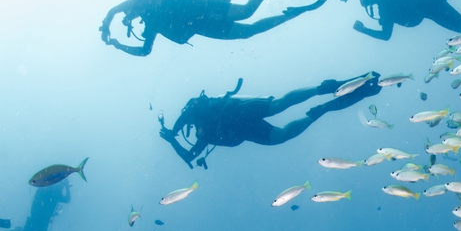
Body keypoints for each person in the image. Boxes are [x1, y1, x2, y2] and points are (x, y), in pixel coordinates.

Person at [100, 0, 332, 56]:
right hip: (200, 24)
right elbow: (145, 51)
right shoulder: (150, 23)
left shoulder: (142, 0)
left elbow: (113, 10)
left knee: (246, 11)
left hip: (200, 7)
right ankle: (294, 13)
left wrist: (106, 26)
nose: (128, 17)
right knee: (249, 31)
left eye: (127, 17)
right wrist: (118, 44)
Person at [159, 74, 381, 168]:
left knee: (279, 105)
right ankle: (318, 111)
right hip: (244, 131)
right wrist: (172, 141)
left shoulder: (195, 112)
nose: (195, 132)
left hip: (237, 112)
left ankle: (321, 89)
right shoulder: (204, 134)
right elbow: (190, 157)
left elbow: (184, 118)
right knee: (280, 136)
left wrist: (172, 133)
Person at [0, 181, 71, 231]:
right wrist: (67, 186)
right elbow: (67, 199)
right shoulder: (54, 193)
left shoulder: (47, 190)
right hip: (38, 221)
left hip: (40, 222)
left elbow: (67, 199)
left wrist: (65, 186)